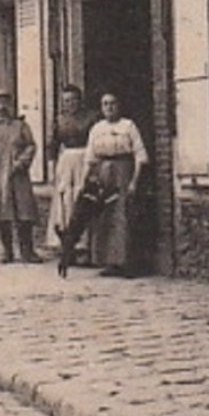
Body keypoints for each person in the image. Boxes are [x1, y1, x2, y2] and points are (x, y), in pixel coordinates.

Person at [85, 91, 149, 277]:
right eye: (105, 104)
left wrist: (134, 181)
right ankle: (109, 262)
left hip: (123, 170)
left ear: (119, 105)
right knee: (105, 216)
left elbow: (140, 156)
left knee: (123, 215)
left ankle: (126, 262)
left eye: (113, 103)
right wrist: (88, 180)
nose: (109, 107)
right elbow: (91, 157)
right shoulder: (97, 128)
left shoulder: (128, 126)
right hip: (104, 173)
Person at [0, 90, 42, 264]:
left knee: (24, 214)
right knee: (1, 214)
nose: (2, 106)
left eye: (5, 102)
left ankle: (28, 251)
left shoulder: (20, 126)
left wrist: (21, 162)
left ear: (11, 105)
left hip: (18, 176)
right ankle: (7, 251)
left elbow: (31, 146)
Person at [46, 84, 95, 266]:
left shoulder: (90, 118)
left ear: (80, 101)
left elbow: (95, 140)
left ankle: (85, 247)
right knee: (65, 202)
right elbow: (52, 145)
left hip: (85, 158)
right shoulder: (59, 120)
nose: (70, 104)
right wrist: (52, 168)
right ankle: (68, 247)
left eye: (74, 100)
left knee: (82, 200)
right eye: (66, 101)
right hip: (66, 162)